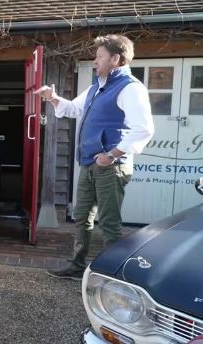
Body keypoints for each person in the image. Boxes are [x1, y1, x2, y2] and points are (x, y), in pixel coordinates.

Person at [34, 34, 155, 279]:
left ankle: (110, 275)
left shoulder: (130, 88)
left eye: (99, 56)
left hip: (111, 166)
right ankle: (77, 266)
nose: (95, 60)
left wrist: (112, 155)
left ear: (116, 59)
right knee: (82, 217)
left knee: (109, 223)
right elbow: (72, 108)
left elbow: (144, 129)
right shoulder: (95, 87)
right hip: (90, 164)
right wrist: (52, 97)